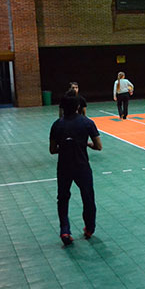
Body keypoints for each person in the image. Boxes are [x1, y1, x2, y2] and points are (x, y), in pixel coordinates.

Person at [50, 91, 102, 246]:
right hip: (82, 166)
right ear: (78, 106)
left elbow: (52, 150)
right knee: (88, 197)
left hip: (64, 167)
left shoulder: (57, 124)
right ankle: (89, 228)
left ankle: (65, 231)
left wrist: (66, 146)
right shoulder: (87, 123)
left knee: (63, 198)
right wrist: (84, 144)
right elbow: (98, 146)